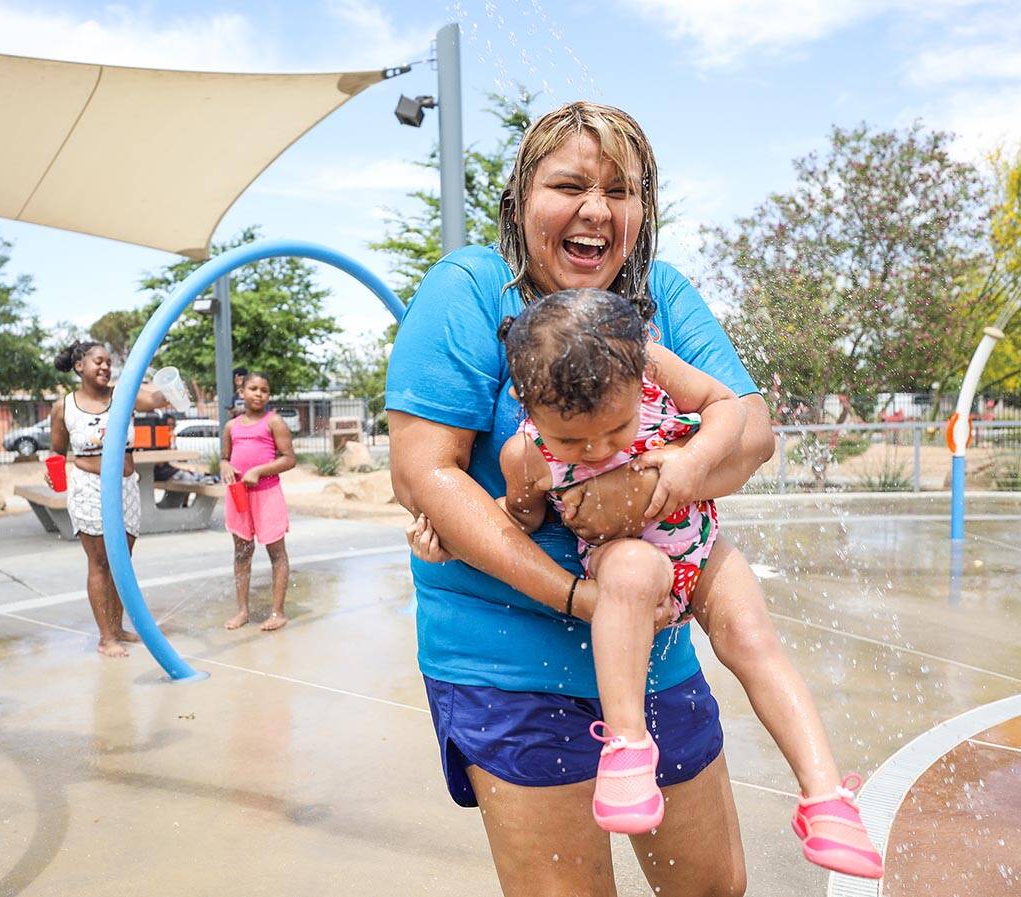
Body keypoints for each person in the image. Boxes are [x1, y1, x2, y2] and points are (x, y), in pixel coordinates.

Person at [387, 100, 779, 897]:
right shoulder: (468, 291)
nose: (597, 209)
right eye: (570, 184)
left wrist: (652, 483)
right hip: (506, 663)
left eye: (622, 191)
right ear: (522, 198)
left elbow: (753, 432)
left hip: (655, 656)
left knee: (713, 887)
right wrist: (576, 594)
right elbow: (425, 473)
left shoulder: (660, 296)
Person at [411, 288, 882, 878]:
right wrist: (449, 540)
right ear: (527, 404)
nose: (599, 450)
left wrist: (692, 462)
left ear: (639, 376)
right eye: (572, 443)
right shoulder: (525, 454)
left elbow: (727, 406)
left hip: (703, 549)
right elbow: (519, 520)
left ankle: (825, 798)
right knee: (631, 570)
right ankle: (628, 748)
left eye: (616, 429)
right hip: (625, 559)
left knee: (752, 637)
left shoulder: (651, 362)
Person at [49, 339, 172, 658]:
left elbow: (159, 398)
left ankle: (118, 627)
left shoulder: (123, 394)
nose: (105, 367)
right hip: (89, 487)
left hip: (125, 486)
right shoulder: (64, 407)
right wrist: (52, 471)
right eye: (98, 362)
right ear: (79, 367)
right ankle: (106, 637)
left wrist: (166, 378)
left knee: (122, 563)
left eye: (108, 362)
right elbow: (57, 450)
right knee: (101, 562)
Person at [220, 371, 295, 632]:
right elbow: (224, 457)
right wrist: (225, 466)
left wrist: (260, 471)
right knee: (242, 553)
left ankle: (278, 611)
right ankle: (242, 610)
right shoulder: (232, 426)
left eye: (264, 390)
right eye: (253, 388)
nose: (258, 394)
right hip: (239, 495)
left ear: (268, 394)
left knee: (276, 553)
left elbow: (289, 458)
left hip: (267, 494)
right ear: (242, 392)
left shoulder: (274, 422)